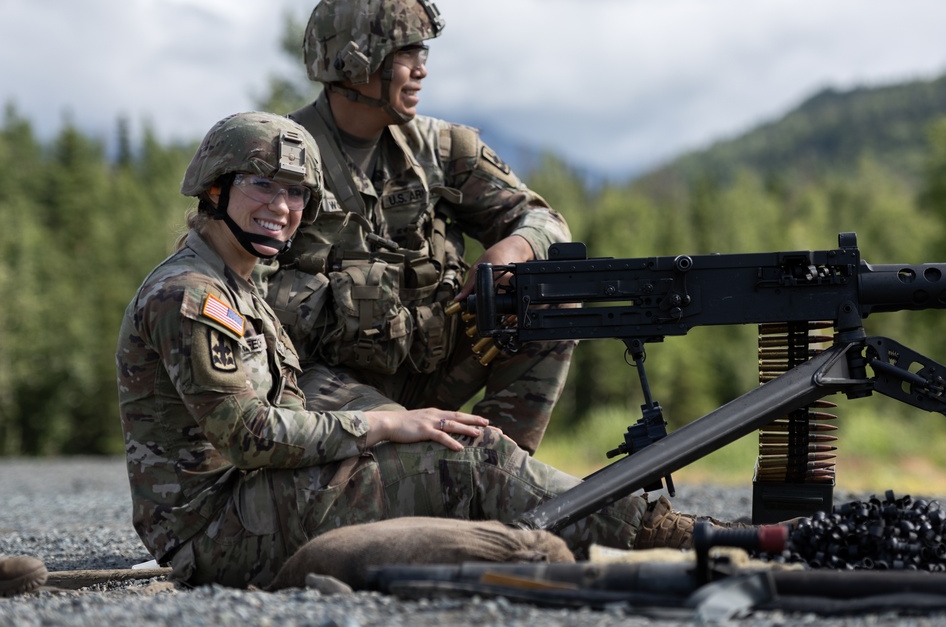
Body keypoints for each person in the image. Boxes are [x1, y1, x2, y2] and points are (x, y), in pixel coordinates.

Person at [116, 111, 736, 590]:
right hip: (218, 532)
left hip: (248, 504)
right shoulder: (191, 295)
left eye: (296, 192)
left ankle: (642, 532)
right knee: (467, 461)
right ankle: (675, 537)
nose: (281, 207)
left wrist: (388, 431)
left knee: (461, 452)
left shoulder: (235, 282)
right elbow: (247, 435)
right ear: (215, 190)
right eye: (261, 185)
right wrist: (384, 425)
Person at [256, 0, 574, 455]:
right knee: (409, 452)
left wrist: (517, 246)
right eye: (406, 53)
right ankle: (469, 474)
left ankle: (502, 465)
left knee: (550, 297)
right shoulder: (280, 156)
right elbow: (230, 279)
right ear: (355, 62)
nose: (422, 69)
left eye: (422, 53)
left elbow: (542, 219)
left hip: (436, 360)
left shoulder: (445, 149)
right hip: (326, 380)